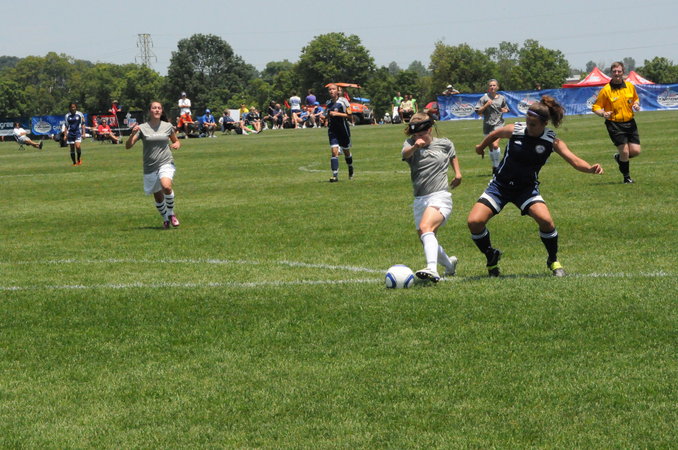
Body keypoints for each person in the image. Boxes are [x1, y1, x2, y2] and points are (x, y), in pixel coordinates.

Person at [468, 96, 604, 277]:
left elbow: (574, 160)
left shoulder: (551, 141)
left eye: (533, 125)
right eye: (527, 122)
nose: (529, 127)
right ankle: (491, 256)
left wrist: (590, 168)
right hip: (500, 186)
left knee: (546, 222)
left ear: (544, 124)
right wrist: (481, 147)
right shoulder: (516, 130)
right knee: (474, 222)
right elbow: (495, 134)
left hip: (526, 189)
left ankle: (553, 260)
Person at [401, 112, 462, 283]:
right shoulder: (410, 144)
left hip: (440, 196)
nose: (418, 137)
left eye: (421, 134)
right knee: (426, 237)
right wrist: (415, 146)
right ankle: (449, 265)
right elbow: (405, 154)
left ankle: (432, 269)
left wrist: (458, 173)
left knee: (425, 227)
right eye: (415, 134)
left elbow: (452, 155)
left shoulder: (444, 143)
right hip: (420, 199)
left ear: (429, 129)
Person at [125, 101, 182, 229]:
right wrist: (132, 134)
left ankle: (171, 214)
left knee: (166, 186)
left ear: (161, 111)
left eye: (159, 108)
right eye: (154, 108)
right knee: (158, 195)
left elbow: (176, 141)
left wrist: (176, 144)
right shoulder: (142, 128)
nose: (157, 110)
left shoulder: (167, 126)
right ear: (150, 111)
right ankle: (165, 218)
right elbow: (128, 146)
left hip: (166, 162)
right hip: (150, 165)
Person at [592, 61, 642, 184]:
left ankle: (619, 158)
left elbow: (635, 99)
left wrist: (636, 104)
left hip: (630, 122)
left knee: (635, 151)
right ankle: (627, 178)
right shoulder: (606, 90)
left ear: (623, 72)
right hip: (614, 124)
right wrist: (603, 113)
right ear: (611, 73)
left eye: (619, 71)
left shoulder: (630, 86)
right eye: (614, 71)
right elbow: (596, 107)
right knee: (624, 151)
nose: (617, 73)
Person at [475, 79, 509, 175]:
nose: (492, 87)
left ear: (497, 87)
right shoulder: (484, 98)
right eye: (490, 85)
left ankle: (497, 167)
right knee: (491, 148)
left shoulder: (502, 98)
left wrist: (505, 110)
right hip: (487, 125)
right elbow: (478, 111)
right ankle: (494, 166)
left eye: (494, 85)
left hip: (499, 124)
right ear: (488, 88)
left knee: (495, 145)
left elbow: (506, 108)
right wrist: (486, 105)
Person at [325, 83, 355, 182]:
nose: (331, 91)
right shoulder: (328, 103)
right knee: (334, 152)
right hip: (332, 130)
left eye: (333, 89)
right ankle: (335, 176)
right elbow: (327, 115)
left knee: (346, 151)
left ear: (337, 91)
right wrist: (324, 117)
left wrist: (337, 114)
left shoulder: (343, 101)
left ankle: (350, 167)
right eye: (330, 89)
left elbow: (350, 116)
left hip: (343, 130)